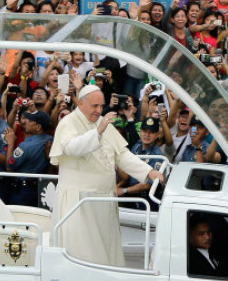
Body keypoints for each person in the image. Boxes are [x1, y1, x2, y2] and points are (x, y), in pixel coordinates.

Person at [49, 85, 163, 266]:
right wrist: (98, 132)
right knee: (84, 256)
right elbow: (71, 149)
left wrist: (149, 172)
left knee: (105, 253)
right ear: (80, 103)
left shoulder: (101, 122)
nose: (99, 110)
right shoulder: (68, 123)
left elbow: (122, 155)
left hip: (103, 202)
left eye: (101, 106)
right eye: (95, 106)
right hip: (79, 204)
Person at [6, 109, 53, 207]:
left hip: (22, 192)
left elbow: (9, 167)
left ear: (38, 127)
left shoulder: (25, 146)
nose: (26, 121)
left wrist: (10, 144)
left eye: (30, 120)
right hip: (40, 189)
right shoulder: (51, 140)